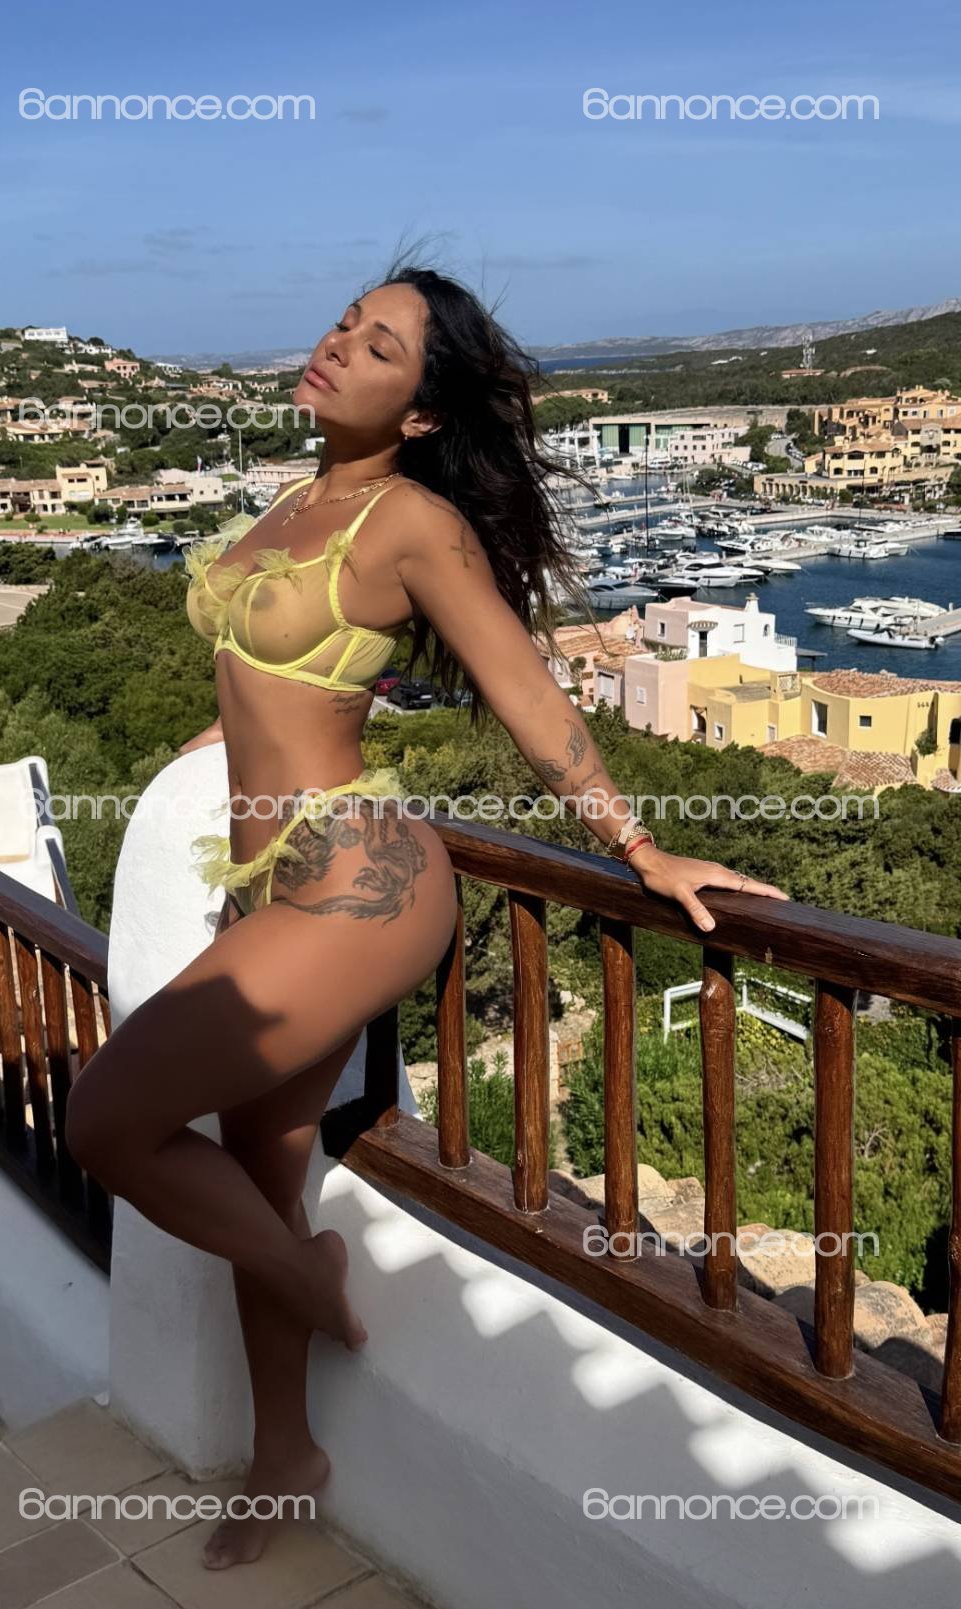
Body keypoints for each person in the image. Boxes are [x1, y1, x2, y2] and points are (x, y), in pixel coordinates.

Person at [65, 259, 789, 1569]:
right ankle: (286, 1452)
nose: (340, 343)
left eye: (381, 346)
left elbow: (525, 690)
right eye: (348, 321)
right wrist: (223, 737)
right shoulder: (299, 495)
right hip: (268, 882)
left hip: (363, 883)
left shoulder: (409, 522)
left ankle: (312, 1280)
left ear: (420, 413)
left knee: (107, 1118)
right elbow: (282, 679)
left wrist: (638, 846)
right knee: (258, 1166)